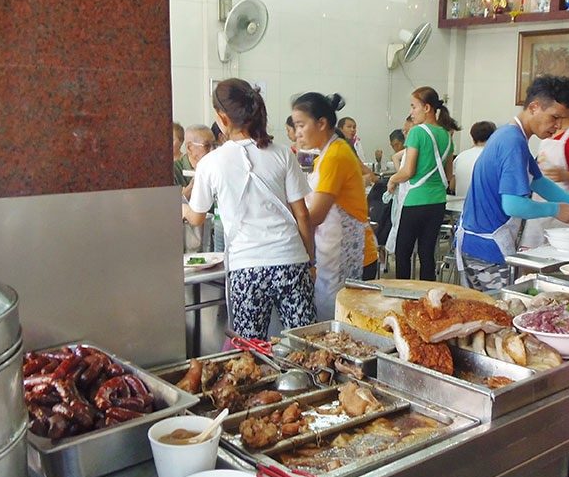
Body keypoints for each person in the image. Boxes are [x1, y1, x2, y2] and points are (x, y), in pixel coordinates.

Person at [183, 78, 316, 340]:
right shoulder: (281, 153)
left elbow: (197, 217)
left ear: (222, 117)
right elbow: (302, 214)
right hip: (291, 261)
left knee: (251, 350)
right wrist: (310, 261)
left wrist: (181, 210)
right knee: (305, 345)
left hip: (248, 269)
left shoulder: (211, 163)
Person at [457, 75, 569, 291]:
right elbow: (513, 205)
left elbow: (540, 183)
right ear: (534, 107)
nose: (557, 126)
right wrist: (555, 210)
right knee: (493, 316)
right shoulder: (512, 142)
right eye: (554, 117)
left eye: (562, 119)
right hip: (486, 249)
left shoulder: (513, 136)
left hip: (481, 244)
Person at [292, 92, 379, 319]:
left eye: (301, 125)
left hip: (352, 259)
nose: (297, 132)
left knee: (343, 329)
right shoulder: (326, 155)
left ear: (321, 123)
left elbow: (315, 216)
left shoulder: (336, 156)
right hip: (333, 257)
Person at [386, 87, 460, 281]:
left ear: (427, 108)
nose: (411, 112)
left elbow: (408, 171)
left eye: (413, 106)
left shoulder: (417, 132)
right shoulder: (446, 135)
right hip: (437, 201)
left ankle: (403, 297)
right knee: (427, 254)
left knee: (403, 253)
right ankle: (428, 301)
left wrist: (393, 180)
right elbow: (449, 174)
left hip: (415, 201)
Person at [521, 113, 569, 248]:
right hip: (538, 205)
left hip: (567, 208)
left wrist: (566, 176)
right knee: (531, 253)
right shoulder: (547, 134)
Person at [174, 124, 216, 252]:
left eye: (215, 145)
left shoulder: (217, 168)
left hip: (215, 234)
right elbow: (171, 206)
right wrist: (192, 187)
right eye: (207, 146)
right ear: (190, 148)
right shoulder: (174, 170)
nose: (213, 151)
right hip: (187, 239)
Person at [453, 121, 497, 197]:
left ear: (473, 138)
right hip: (483, 206)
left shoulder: (460, 156)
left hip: (458, 205)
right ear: (493, 137)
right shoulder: (494, 157)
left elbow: (452, 186)